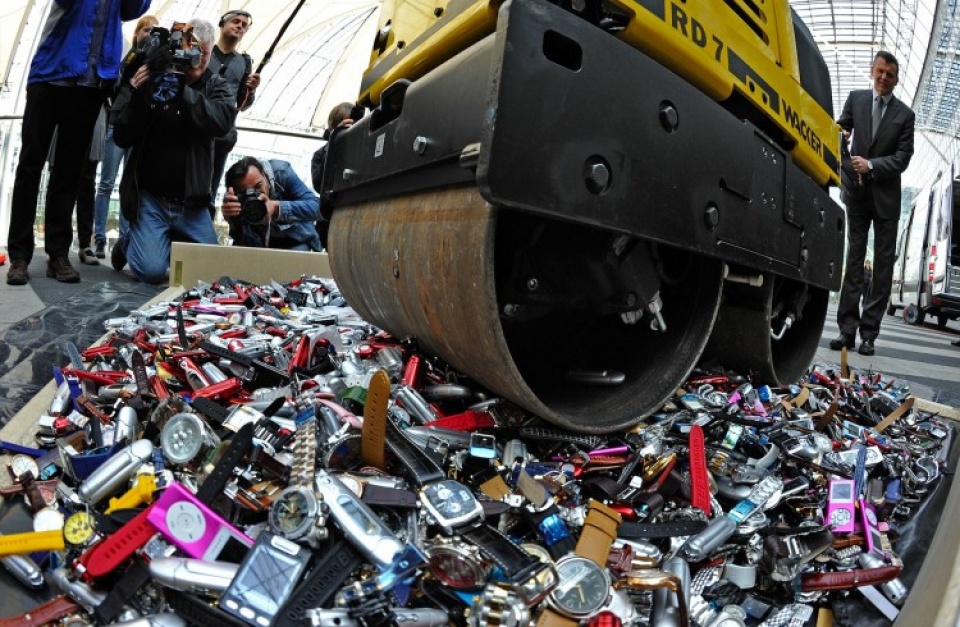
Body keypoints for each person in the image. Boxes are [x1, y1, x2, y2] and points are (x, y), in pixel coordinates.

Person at [4, 0, 151, 286]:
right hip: (51, 72)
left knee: (70, 170)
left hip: (91, 81)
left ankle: (58, 252)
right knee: (30, 165)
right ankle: (19, 255)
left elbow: (133, 9)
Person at [112, 19, 236, 285]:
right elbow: (122, 135)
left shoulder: (216, 85)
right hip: (151, 199)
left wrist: (180, 90)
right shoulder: (155, 75)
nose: (198, 61)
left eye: (205, 54)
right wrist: (140, 93)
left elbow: (222, 121)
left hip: (192, 204)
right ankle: (129, 242)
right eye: (194, 53)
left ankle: (162, 241)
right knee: (152, 272)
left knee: (212, 273)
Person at [829, 51, 915, 357]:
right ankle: (846, 331)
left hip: (887, 200)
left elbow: (903, 158)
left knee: (882, 268)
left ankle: (869, 335)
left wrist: (872, 165)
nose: (883, 77)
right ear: (872, 70)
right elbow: (840, 128)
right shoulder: (856, 99)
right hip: (857, 193)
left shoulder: (905, 115)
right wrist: (842, 135)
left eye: (890, 74)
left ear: (896, 79)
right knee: (853, 262)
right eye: (880, 71)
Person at [93, 14, 159, 270]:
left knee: (128, 185)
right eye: (146, 30)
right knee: (106, 183)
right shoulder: (127, 57)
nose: (150, 35)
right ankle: (100, 238)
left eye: (154, 32)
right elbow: (115, 83)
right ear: (137, 33)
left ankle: (124, 240)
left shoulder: (155, 63)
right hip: (117, 122)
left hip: (138, 129)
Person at [208, 10, 261, 216]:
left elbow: (243, 104)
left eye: (244, 25)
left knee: (212, 184)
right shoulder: (204, 51)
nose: (240, 26)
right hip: (199, 125)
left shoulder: (244, 62)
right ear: (222, 24)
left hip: (223, 133)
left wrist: (251, 90)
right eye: (236, 22)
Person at [221, 157, 322, 251]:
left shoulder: (281, 172)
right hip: (256, 244)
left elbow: (318, 208)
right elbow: (238, 238)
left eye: (258, 186)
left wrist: (277, 207)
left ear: (265, 174)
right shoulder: (232, 198)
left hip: (295, 238)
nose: (256, 195)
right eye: (246, 193)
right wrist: (230, 218)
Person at [311, 102, 359, 249]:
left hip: (355, 214)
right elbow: (319, 185)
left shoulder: (361, 148)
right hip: (330, 217)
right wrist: (334, 143)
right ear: (332, 126)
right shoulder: (320, 154)